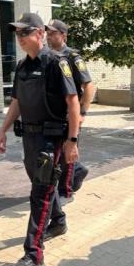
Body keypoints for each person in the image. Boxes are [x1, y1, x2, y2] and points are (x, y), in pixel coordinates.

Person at [0, 13, 80, 266]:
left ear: (40, 34)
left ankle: (33, 254)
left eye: (25, 32)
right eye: (17, 34)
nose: (20, 38)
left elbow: (73, 102)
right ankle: (59, 220)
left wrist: (72, 141)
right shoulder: (21, 67)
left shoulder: (57, 63)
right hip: (29, 138)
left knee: (39, 194)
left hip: (51, 137)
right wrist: (2, 131)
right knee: (39, 184)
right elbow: (17, 103)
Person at [45, 19, 94, 207]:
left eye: (53, 33)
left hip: (69, 115)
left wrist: (82, 112)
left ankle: (66, 191)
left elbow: (88, 85)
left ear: (63, 35)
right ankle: (79, 170)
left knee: (68, 152)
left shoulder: (73, 57)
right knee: (56, 154)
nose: (49, 36)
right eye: (48, 33)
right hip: (53, 115)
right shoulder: (48, 56)